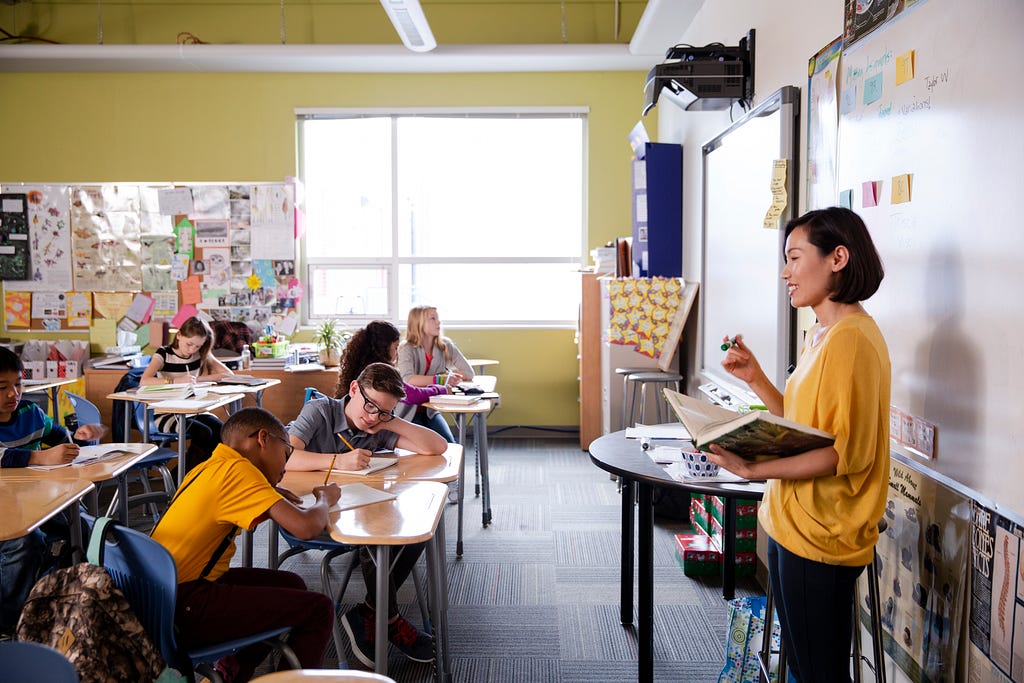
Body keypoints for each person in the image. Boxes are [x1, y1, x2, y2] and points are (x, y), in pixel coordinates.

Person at [705, 207, 890, 682]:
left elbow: (842, 454)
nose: (785, 272)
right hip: (791, 524)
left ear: (838, 258)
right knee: (804, 665)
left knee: (819, 673)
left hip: (822, 535)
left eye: (794, 257)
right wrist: (756, 379)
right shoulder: (821, 332)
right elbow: (804, 426)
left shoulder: (852, 340)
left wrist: (753, 470)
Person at [150, 407, 339, 683]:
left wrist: (268, 491)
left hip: (162, 594)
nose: (284, 468)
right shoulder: (239, 471)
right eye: (285, 453)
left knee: (292, 586)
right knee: (320, 609)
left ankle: (231, 674)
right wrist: (325, 498)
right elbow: (307, 527)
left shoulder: (211, 464)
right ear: (263, 439)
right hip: (185, 606)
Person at [286, 362, 447, 668]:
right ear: (354, 389)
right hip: (311, 511)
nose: (371, 416)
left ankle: (372, 612)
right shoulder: (321, 411)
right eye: (370, 405)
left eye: (382, 411)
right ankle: (385, 618)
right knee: (374, 542)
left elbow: (436, 447)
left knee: (417, 530)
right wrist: (339, 461)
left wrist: (390, 422)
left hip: (358, 507)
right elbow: (285, 457)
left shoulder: (377, 426)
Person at [0, 347, 106, 636]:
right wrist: (40, 458)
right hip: (6, 511)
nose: (13, 394)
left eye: (18, 384)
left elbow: (57, 434)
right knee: (26, 542)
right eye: (2, 387)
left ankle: (69, 590)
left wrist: (77, 441)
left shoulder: (29, 413)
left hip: (37, 499)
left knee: (82, 525)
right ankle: (10, 620)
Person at [140, 315, 233, 472]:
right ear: (179, 335)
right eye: (189, 344)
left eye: (197, 346)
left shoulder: (199, 354)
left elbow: (228, 374)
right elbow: (144, 381)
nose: (192, 350)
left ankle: (189, 475)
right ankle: (184, 477)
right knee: (203, 433)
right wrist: (175, 382)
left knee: (222, 431)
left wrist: (197, 379)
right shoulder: (164, 354)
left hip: (192, 410)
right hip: (166, 413)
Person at [338, 320, 456, 443]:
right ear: (384, 348)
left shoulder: (361, 365)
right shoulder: (378, 372)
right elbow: (411, 394)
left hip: (383, 421)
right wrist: (441, 389)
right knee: (447, 443)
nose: (397, 353)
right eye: (395, 348)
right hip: (379, 425)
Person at [396, 305, 475, 437]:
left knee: (451, 446)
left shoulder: (445, 345)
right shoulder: (406, 348)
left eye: (438, 318)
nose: (438, 322)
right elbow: (408, 380)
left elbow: (468, 372)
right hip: (408, 412)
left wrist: (450, 375)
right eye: (432, 318)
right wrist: (442, 379)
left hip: (431, 411)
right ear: (419, 323)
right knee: (430, 448)